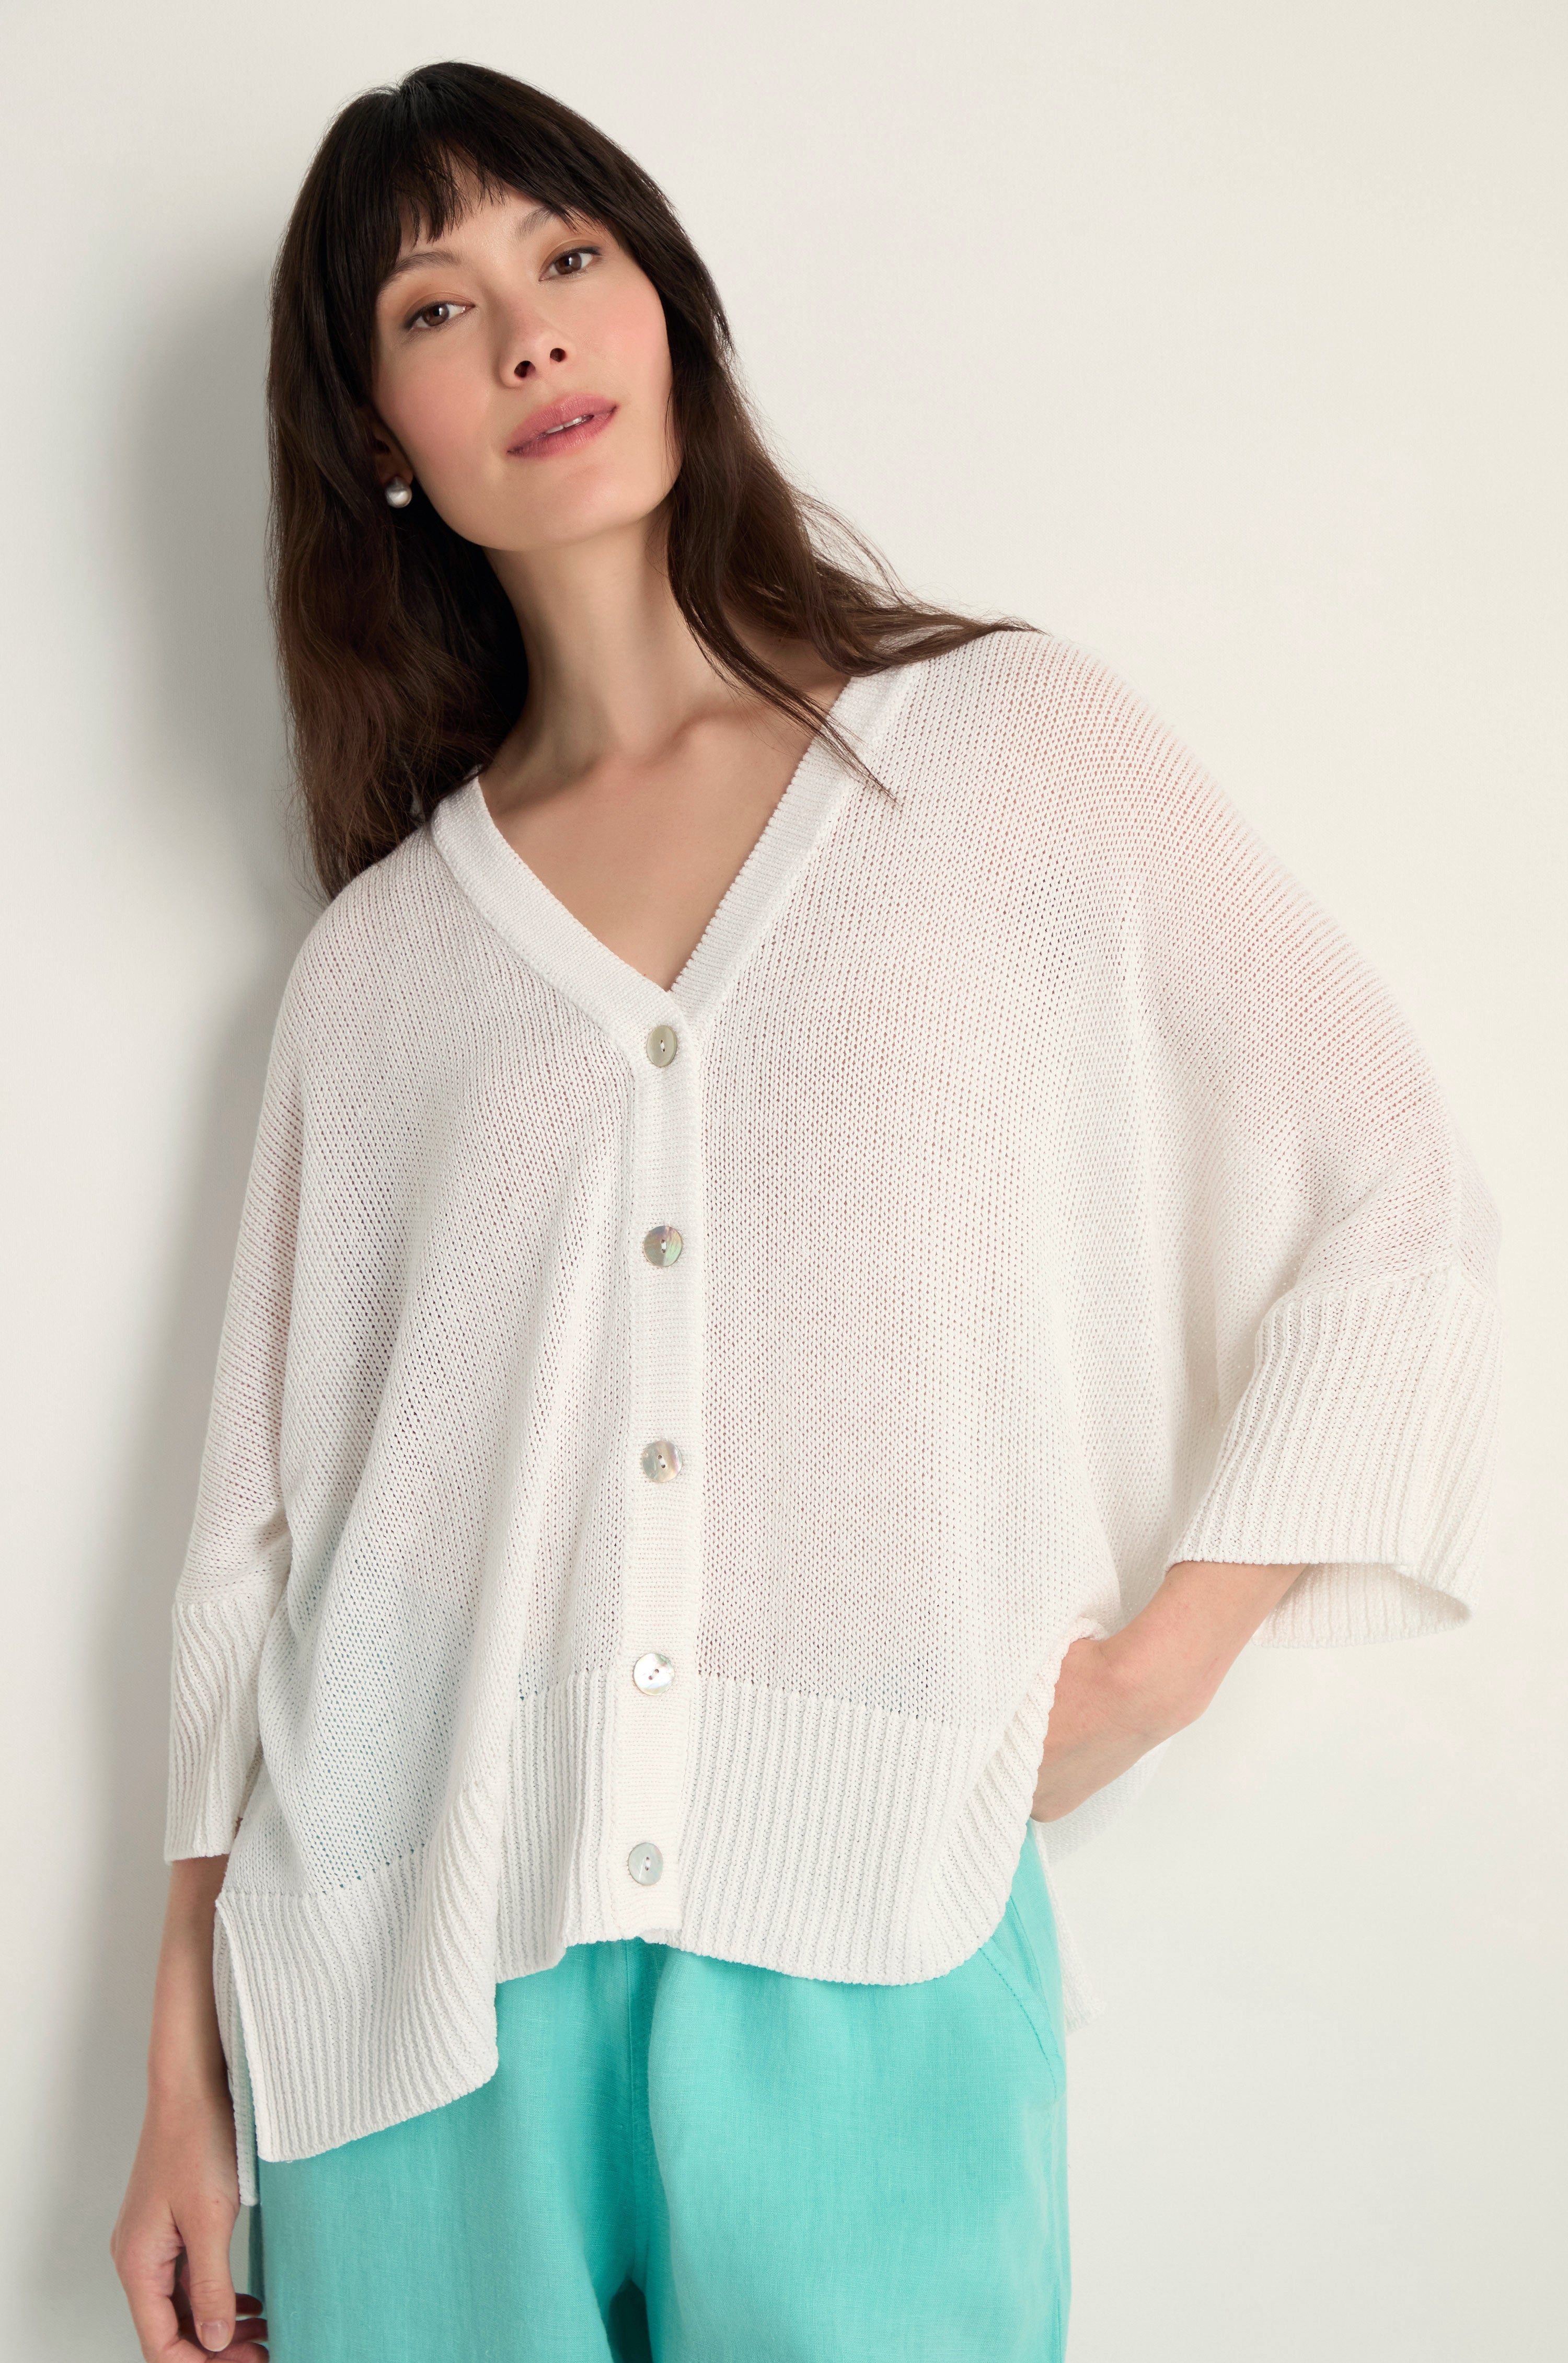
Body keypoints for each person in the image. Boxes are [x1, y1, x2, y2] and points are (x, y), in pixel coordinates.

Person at [110, 58, 1502, 2363]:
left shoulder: (1002, 751)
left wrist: (1161, 1671)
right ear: (381, 438)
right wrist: (181, 2070)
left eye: (570, 257)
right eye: (437, 309)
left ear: (669, 308)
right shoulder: (377, 970)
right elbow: (250, 1548)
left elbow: (1397, 1190)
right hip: (408, 1995)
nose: (532, 334)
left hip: (881, 1934)